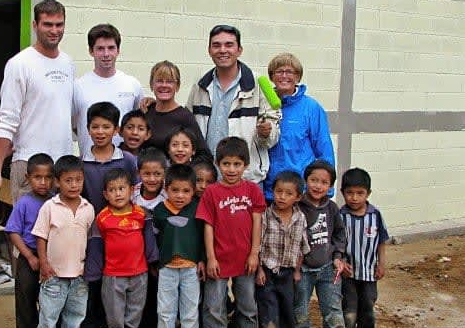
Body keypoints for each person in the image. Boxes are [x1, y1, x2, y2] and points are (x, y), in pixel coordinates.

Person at [0, 0, 73, 203]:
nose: (54, 30)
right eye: (47, 24)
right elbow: (6, 119)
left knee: (59, 233)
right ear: (35, 25)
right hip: (29, 164)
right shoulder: (19, 64)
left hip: (62, 165)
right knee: (28, 232)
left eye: (59, 24)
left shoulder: (68, 63)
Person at [196, 136, 266, 328]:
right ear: (218, 164)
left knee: (247, 304)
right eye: (226, 164)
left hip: (245, 259)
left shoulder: (252, 190)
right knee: (214, 305)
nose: (232, 169)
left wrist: (254, 253)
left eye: (237, 164)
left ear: (245, 165)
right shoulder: (212, 193)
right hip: (219, 259)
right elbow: (208, 225)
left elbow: (257, 222)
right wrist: (210, 257)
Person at [79, 101, 139, 328]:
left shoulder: (127, 160)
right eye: (95, 126)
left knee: (117, 282)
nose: (100, 131)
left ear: (116, 130)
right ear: (88, 128)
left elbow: (135, 195)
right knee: (92, 280)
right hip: (93, 233)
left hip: (122, 233)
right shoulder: (81, 161)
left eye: (106, 126)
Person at [186, 25, 280, 185]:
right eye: (216, 45)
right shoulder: (200, 86)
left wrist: (266, 133)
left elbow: (272, 137)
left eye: (229, 45)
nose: (223, 50)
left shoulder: (258, 85)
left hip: (247, 181)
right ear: (209, 50)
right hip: (208, 181)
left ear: (239, 50)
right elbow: (189, 127)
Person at [28, 155, 95, 328]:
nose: (74, 185)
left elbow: (91, 240)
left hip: (79, 274)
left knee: (75, 314)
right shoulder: (50, 206)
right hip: (54, 274)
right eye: (68, 180)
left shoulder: (88, 208)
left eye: (78, 180)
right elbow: (41, 236)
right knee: (48, 314)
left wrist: (88, 268)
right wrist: (44, 263)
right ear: (57, 182)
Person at [97, 168, 157, 328]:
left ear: (131, 190)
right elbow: (100, 243)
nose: (118, 194)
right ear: (105, 194)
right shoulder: (103, 218)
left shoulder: (141, 214)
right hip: (113, 273)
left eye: (122, 188)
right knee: (114, 309)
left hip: (139, 272)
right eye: (112, 190)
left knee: (135, 308)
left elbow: (148, 240)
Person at [293, 160, 348, 328]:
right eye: (313, 180)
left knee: (332, 305)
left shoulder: (332, 209)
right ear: (305, 181)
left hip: (328, 268)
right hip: (303, 269)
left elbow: (339, 235)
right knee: (299, 306)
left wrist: (338, 256)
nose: (318, 185)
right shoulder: (297, 207)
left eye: (324, 182)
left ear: (331, 186)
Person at [152, 164, 205, 328]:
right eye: (175, 190)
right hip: (167, 268)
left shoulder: (197, 209)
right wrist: (155, 261)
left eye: (186, 191)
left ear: (193, 191)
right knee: (165, 307)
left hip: (191, 267)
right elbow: (155, 239)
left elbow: (202, 237)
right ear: (166, 189)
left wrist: (202, 259)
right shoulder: (160, 211)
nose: (180, 196)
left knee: (190, 308)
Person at [263, 53, 334, 201]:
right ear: (271, 76)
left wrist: (326, 189)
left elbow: (323, 148)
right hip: (271, 190)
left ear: (298, 77)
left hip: (300, 191)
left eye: (289, 72)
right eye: (279, 71)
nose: (284, 76)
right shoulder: (263, 105)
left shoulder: (311, 108)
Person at [256, 171, 309, 328]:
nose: (282, 197)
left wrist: (296, 271)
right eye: (278, 192)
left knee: (287, 310)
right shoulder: (265, 216)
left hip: (287, 272)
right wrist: (259, 270)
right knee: (269, 310)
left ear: (298, 197)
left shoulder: (300, 218)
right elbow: (258, 245)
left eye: (288, 194)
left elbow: (301, 247)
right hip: (267, 271)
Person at [4, 153, 55, 328]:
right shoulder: (24, 202)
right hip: (28, 255)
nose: (43, 183)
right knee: (26, 296)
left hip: (51, 256)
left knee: (50, 300)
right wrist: (29, 256)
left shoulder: (56, 202)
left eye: (48, 177)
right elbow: (13, 232)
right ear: (28, 177)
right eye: (37, 177)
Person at [73, 24, 143, 157]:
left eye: (111, 48)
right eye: (100, 49)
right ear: (91, 51)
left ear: (118, 50)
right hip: (89, 165)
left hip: (124, 166)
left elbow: (137, 123)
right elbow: (74, 125)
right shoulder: (77, 86)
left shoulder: (132, 85)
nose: (106, 54)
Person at [340, 167, 390, 328]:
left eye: (359, 193)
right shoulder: (341, 216)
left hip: (369, 272)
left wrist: (381, 264)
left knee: (368, 304)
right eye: (350, 193)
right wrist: (341, 262)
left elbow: (382, 242)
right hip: (349, 273)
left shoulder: (375, 215)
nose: (354, 198)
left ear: (368, 193)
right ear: (343, 193)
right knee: (349, 305)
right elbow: (336, 243)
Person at [131, 147, 168, 328]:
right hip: (136, 252)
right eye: (147, 174)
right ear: (139, 173)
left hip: (160, 253)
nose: (152, 179)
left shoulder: (168, 195)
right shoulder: (133, 194)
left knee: (156, 295)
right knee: (138, 296)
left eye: (157, 174)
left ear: (164, 173)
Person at [143, 61, 209, 157]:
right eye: (159, 81)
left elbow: (203, 154)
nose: (164, 85)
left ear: (177, 86)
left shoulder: (185, 117)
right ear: (151, 85)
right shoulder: (146, 112)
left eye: (169, 81)